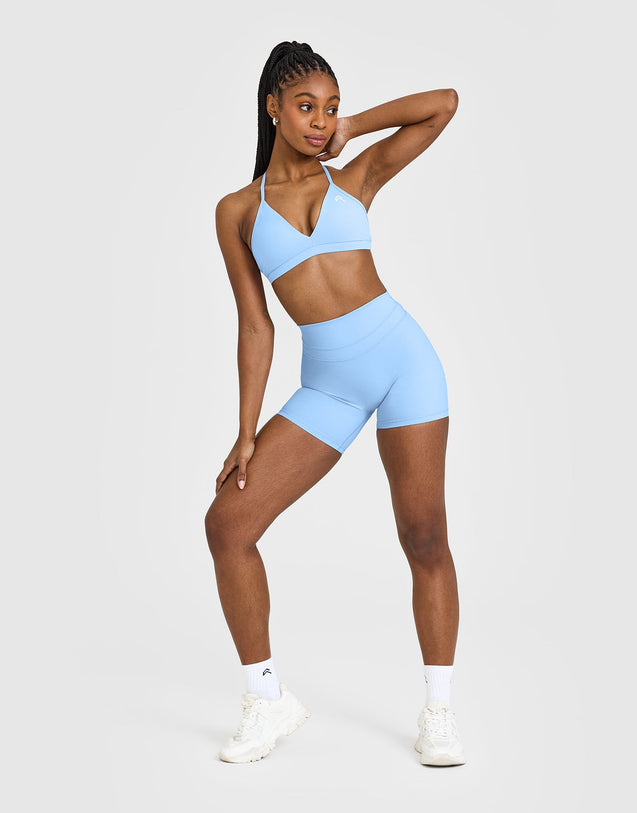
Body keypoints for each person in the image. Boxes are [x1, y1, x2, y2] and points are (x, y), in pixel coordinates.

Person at [204, 40, 465, 767]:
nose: (320, 120)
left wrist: (356, 127)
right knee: (228, 524)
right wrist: (246, 432)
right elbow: (255, 327)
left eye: (331, 107)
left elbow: (442, 105)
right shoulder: (237, 211)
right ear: (272, 109)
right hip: (329, 386)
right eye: (306, 106)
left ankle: (439, 712)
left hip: (405, 364)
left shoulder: (355, 177)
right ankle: (267, 700)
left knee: (424, 535)